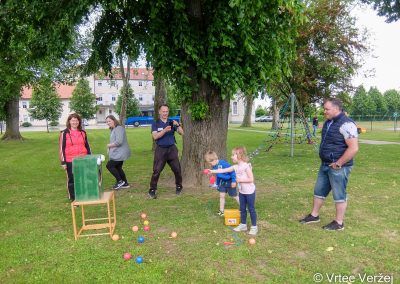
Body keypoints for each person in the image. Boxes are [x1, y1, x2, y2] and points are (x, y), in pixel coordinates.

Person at [299, 98, 359, 231]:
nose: (324, 111)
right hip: (325, 164)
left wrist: (339, 163)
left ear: (336, 109)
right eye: (324, 109)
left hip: (339, 167)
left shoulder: (347, 124)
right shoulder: (328, 122)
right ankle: (314, 215)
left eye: (327, 109)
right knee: (319, 191)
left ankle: (339, 223)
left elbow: (353, 148)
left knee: (339, 194)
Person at [208, 146, 258, 235]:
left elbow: (251, 179)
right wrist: (212, 171)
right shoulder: (235, 167)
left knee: (251, 209)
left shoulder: (246, 166)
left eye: (233, 155)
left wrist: (239, 180)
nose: (231, 157)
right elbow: (223, 170)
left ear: (239, 155)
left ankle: (254, 227)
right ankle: (243, 225)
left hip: (250, 192)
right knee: (242, 209)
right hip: (242, 192)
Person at [148, 104, 184, 199]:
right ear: (159, 112)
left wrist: (178, 125)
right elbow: (155, 136)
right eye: (163, 111)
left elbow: (182, 133)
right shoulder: (155, 123)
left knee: (177, 169)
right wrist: (164, 130)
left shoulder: (171, 122)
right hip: (161, 150)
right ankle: (152, 190)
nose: (165, 113)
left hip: (172, 149)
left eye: (166, 111)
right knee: (156, 171)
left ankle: (179, 186)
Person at [59, 113, 91, 201]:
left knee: (83, 178)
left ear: (79, 122)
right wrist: (63, 162)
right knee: (72, 180)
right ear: (69, 121)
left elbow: (87, 146)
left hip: (83, 159)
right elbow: (61, 148)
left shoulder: (83, 132)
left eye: (76, 120)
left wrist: (90, 158)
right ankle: (73, 198)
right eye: (73, 120)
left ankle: (83, 195)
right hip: (70, 160)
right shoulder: (64, 133)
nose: (75, 122)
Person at [204, 151, 239, 216]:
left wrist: (234, 181)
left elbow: (233, 171)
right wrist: (216, 183)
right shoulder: (214, 166)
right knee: (221, 196)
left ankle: (244, 208)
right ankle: (221, 211)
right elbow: (218, 175)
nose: (210, 164)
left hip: (229, 182)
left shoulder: (223, 163)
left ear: (214, 159)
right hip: (222, 182)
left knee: (234, 196)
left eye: (210, 163)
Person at [105, 115, 131, 190]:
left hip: (120, 153)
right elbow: (114, 141)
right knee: (118, 167)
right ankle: (125, 183)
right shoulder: (113, 129)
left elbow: (119, 142)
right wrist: (110, 148)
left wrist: (109, 145)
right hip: (118, 152)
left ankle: (120, 181)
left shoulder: (119, 128)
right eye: (107, 122)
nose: (108, 123)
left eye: (109, 121)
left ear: (114, 120)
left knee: (109, 165)